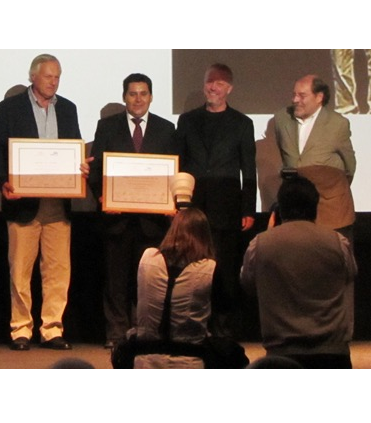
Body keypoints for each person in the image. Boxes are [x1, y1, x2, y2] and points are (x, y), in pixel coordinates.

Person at [0, 54, 83, 351]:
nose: (54, 82)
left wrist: (80, 167)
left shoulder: (68, 108)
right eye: (48, 76)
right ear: (33, 77)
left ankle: (52, 329)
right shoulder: (9, 108)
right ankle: (21, 329)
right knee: (20, 271)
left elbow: (74, 147)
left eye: (57, 76)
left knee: (58, 271)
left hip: (58, 204)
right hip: (22, 203)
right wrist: (3, 181)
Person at [88, 73, 179, 349]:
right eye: (132, 94)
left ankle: (146, 332)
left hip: (153, 221)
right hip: (116, 219)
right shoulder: (107, 126)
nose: (138, 99)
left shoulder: (166, 129)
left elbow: (175, 170)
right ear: (124, 97)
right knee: (115, 282)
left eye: (143, 93)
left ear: (151, 97)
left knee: (149, 281)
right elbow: (96, 168)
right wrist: (103, 197)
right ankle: (116, 334)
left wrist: (171, 201)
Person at [174, 63, 256, 334]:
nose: (213, 87)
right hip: (193, 206)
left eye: (219, 83)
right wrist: (176, 202)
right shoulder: (187, 120)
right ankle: (193, 327)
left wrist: (248, 209)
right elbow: (178, 163)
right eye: (209, 82)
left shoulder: (242, 123)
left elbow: (249, 170)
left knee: (225, 270)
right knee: (192, 266)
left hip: (227, 207)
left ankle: (222, 330)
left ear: (229, 89)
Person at [240, 177, 357, 368]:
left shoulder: (259, 244)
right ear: (315, 207)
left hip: (281, 354)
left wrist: (269, 232)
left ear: (280, 209)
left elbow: (248, 284)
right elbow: (350, 275)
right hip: (333, 352)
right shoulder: (339, 241)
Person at [273, 74, 357, 245]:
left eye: (302, 95)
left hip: (332, 211)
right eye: (294, 94)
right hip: (296, 209)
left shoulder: (337, 123)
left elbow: (350, 166)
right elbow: (286, 157)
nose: (295, 100)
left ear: (319, 97)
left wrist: (331, 186)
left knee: (334, 256)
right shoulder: (282, 119)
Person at [129, 208, 217, 369]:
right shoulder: (210, 268)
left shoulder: (147, 258)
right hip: (190, 360)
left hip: (145, 359)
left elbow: (136, 298)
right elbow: (222, 308)